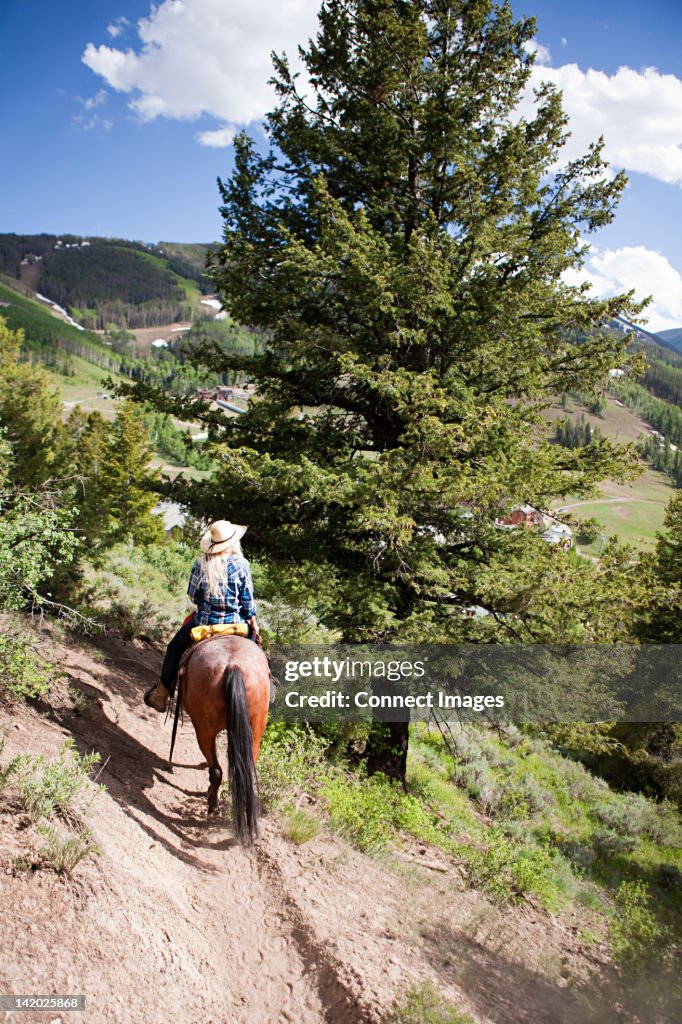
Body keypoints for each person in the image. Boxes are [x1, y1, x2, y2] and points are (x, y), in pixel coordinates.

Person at [144, 519, 261, 713]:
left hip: (204, 624)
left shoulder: (201, 564)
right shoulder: (242, 565)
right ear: (233, 542)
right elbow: (247, 600)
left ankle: (161, 695)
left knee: (173, 648)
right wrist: (253, 622)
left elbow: (192, 595)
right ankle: (268, 687)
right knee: (256, 651)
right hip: (236, 626)